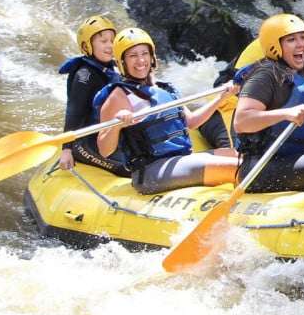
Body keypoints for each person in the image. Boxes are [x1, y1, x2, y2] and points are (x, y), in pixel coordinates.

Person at [94, 28, 240, 195]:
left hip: (178, 160)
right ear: (122, 62)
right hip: (151, 172)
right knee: (234, 167)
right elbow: (104, 149)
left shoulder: (164, 89)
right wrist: (117, 126)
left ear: (152, 57)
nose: (141, 60)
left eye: (145, 54)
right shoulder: (118, 96)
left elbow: (191, 121)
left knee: (236, 156)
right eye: (133, 56)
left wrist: (221, 97)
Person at [232, 13, 304, 193]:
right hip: (263, 167)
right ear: (274, 45)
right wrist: (286, 113)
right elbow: (241, 121)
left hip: (301, 158)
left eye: (303, 38)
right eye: (291, 40)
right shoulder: (265, 75)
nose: (301, 44)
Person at [58, 14, 126, 174]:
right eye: (103, 42)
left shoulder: (112, 68)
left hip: (107, 136)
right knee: (130, 168)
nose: (110, 46)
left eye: (112, 41)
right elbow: (74, 112)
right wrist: (66, 149)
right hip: (86, 142)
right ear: (87, 46)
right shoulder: (85, 75)